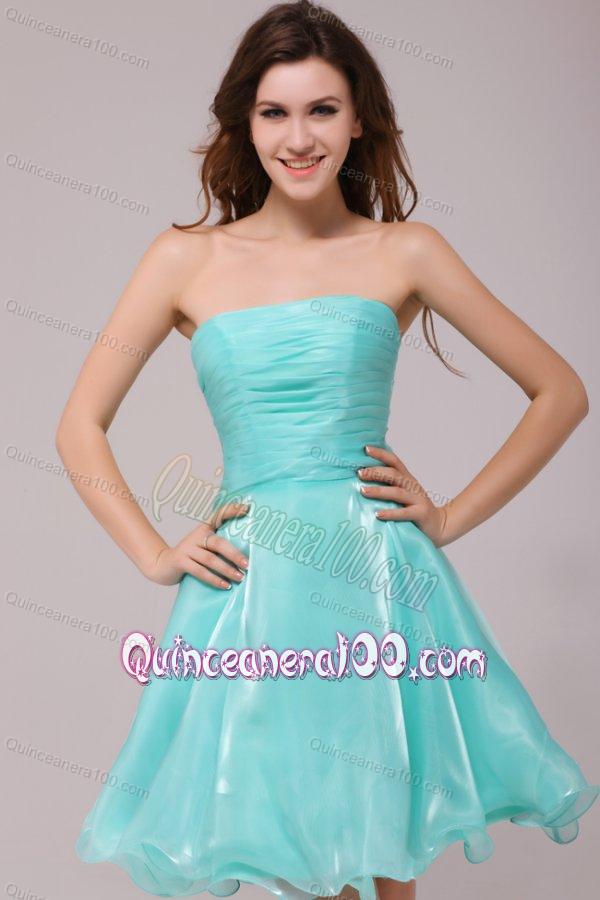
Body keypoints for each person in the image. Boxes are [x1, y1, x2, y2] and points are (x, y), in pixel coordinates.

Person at [57, 3, 598, 899]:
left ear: (359, 121)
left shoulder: (406, 251)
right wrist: (152, 553)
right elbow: (79, 424)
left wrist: (447, 517)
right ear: (245, 121)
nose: (299, 137)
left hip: (373, 578)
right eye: (274, 112)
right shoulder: (184, 260)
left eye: (322, 110)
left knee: (384, 860)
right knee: (296, 855)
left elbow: (561, 391)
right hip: (252, 589)